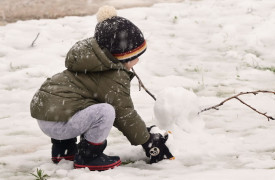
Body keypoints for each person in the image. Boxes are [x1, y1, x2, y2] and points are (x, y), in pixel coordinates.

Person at [30, 5, 174, 171]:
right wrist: (147, 140)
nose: (138, 61)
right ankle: (88, 157)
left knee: (78, 102)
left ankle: (64, 151)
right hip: (59, 124)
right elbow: (124, 114)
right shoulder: (113, 76)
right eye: (136, 57)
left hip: (47, 115)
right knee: (106, 111)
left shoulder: (91, 61)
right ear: (124, 56)